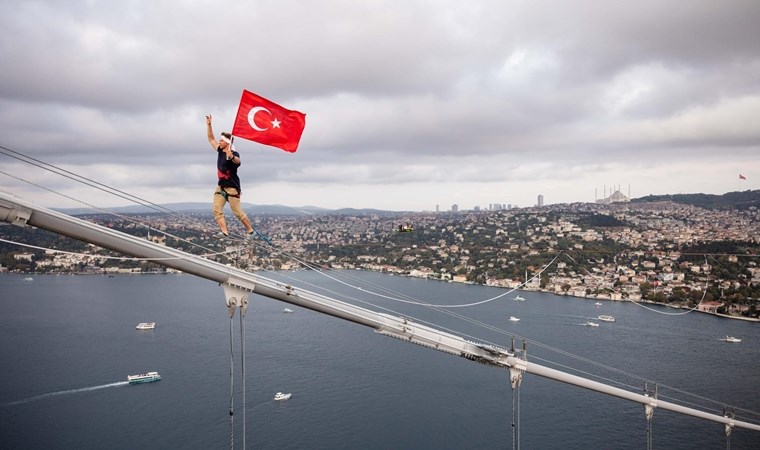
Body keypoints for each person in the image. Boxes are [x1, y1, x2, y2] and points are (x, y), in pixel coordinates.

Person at [205, 114, 255, 238]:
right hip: (221, 187)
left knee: (237, 212)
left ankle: (250, 231)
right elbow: (211, 139)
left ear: (227, 143)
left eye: (221, 140)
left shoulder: (233, 153)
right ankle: (224, 231)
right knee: (216, 209)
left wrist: (231, 156)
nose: (219, 142)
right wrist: (209, 125)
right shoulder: (220, 150)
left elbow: (237, 161)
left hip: (232, 188)